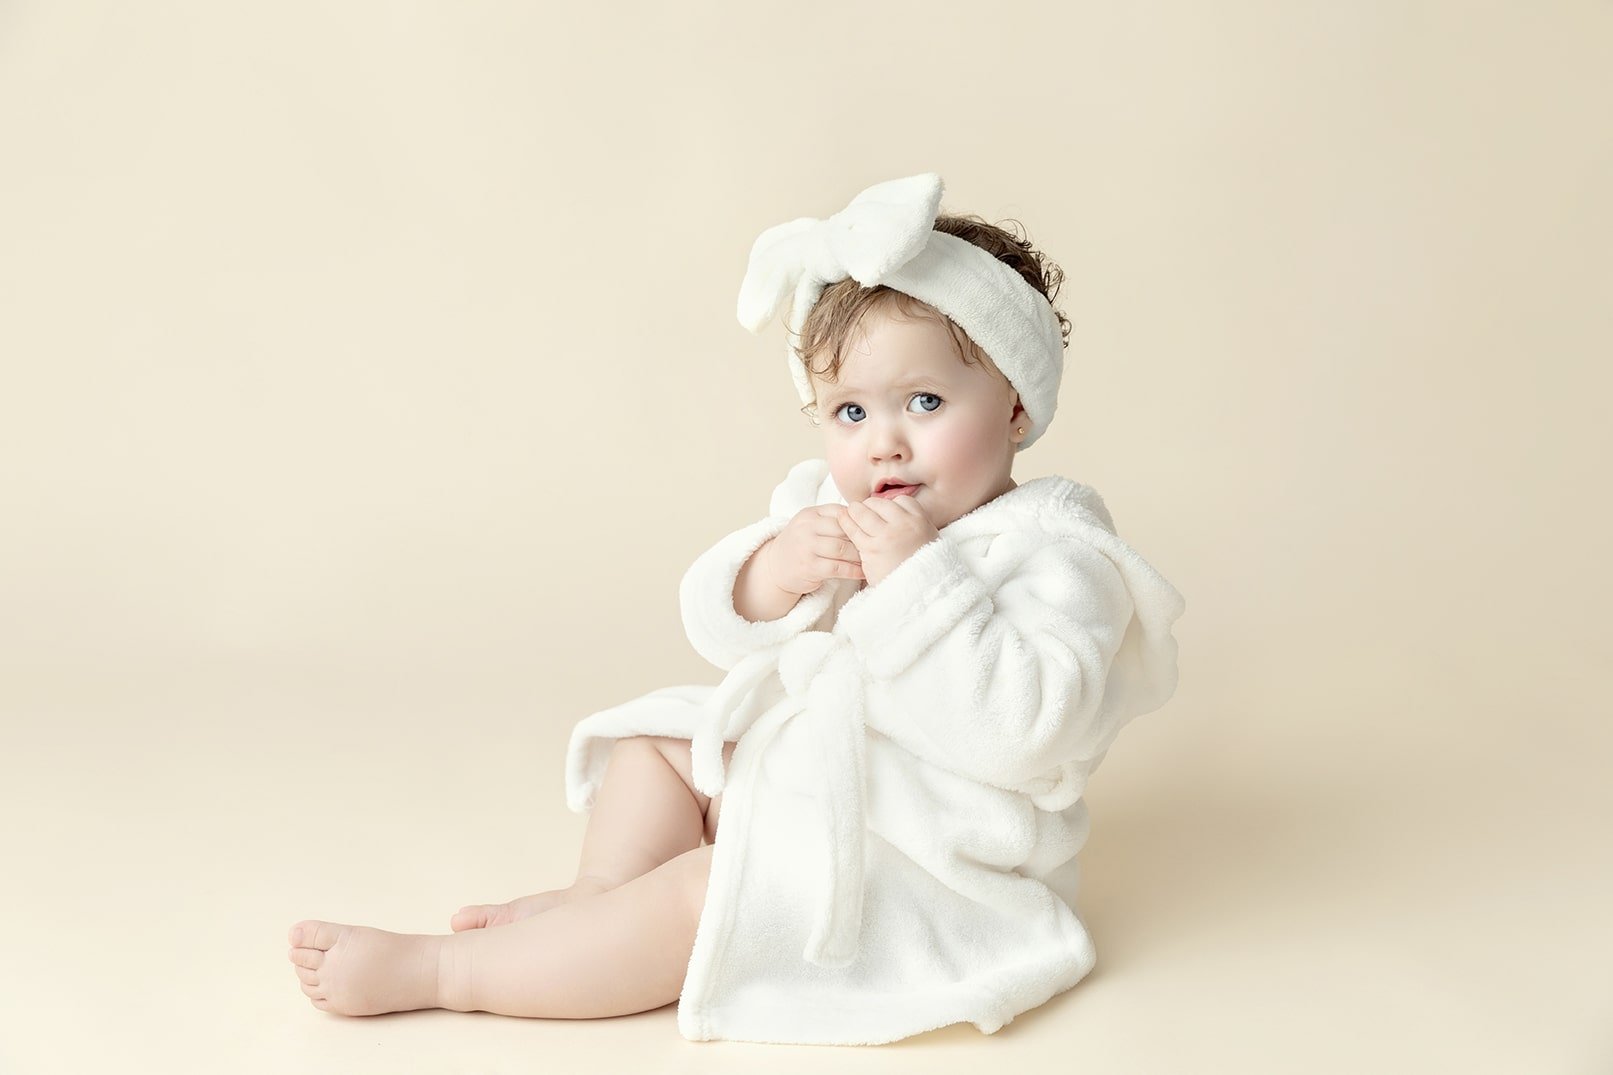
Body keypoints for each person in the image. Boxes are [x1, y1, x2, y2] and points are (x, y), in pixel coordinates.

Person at [285, 173, 1187, 1046]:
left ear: (1017, 406)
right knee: (657, 749)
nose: (885, 440)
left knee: (704, 893)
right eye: (847, 410)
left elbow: (1023, 731)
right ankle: (601, 897)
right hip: (804, 775)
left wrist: (919, 582)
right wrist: (774, 570)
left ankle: (449, 974)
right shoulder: (834, 508)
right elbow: (721, 627)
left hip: (919, 857)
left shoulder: (1058, 552)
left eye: (924, 400)